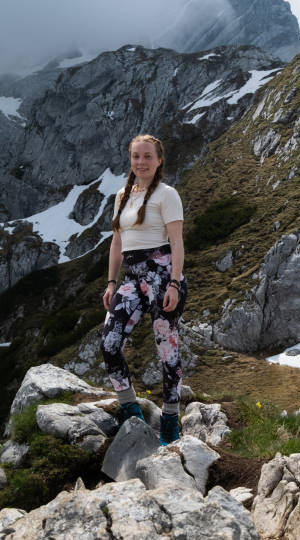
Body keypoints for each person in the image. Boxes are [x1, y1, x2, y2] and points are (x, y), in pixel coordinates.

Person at [100, 133, 187, 446]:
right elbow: (117, 242)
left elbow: (176, 242)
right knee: (110, 343)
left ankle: (170, 421)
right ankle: (131, 410)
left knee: (167, 349)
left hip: (163, 278)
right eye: (136, 156)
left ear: (159, 160)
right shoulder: (122, 195)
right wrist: (112, 282)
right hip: (131, 279)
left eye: (148, 156)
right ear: (130, 159)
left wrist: (175, 283)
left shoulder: (167, 194)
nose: (141, 162)